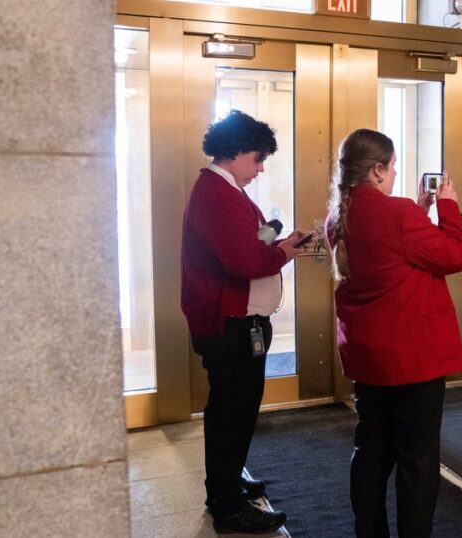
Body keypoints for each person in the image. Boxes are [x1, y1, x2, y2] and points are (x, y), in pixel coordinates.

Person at [325, 128, 462, 537]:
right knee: (417, 461)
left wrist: (420, 211)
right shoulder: (399, 213)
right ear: (376, 170)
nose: (393, 176)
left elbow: (391, 255)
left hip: (369, 358)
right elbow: (453, 256)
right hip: (413, 360)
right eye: (390, 168)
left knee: (371, 452)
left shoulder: (340, 215)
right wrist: (449, 209)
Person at [181, 110, 314, 534]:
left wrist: (278, 243)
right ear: (236, 152)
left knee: (234, 408)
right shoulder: (218, 194)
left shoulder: (224, 191)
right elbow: (243, 260)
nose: (259, 169)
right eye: (257, 159)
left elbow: (246, 245)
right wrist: (284, 253)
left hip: (237, 320)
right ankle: (228, 505)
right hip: (229, 323)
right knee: (231, 412)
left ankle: (229, 478)